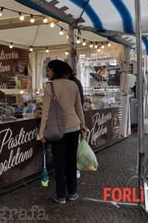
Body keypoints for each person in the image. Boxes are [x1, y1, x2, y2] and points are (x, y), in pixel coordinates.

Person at [37, 60, 87, 204]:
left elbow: (45, 113)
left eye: (48, 70)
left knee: (59, 164)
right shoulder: (74, 85)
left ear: (54, 71)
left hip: (58, 130)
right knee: (71, 162)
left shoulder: (49, 87)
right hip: (75, 128)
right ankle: (72, 193)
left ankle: (60, 196)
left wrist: (41, 133)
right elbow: (79, 109)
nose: (47, 73)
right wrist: (83, 127)